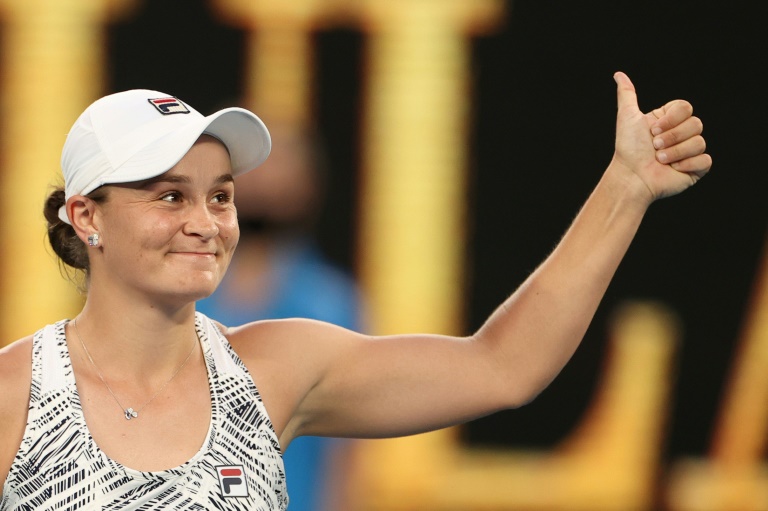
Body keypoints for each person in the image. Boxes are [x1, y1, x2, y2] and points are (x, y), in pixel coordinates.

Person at [0, 72, 711, 510]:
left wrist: (626, 187)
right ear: (86, 214)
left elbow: (504, 365)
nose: (204, 224)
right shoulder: (11, 397)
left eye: (220, 196)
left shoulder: (273, 369)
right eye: (169, 197)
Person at [196, 122, 365, 511]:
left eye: (279, 167)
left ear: (308, 186)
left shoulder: (332, 302)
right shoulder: (176, 291)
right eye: (248, 169)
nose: (262, 183)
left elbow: (348, 455)